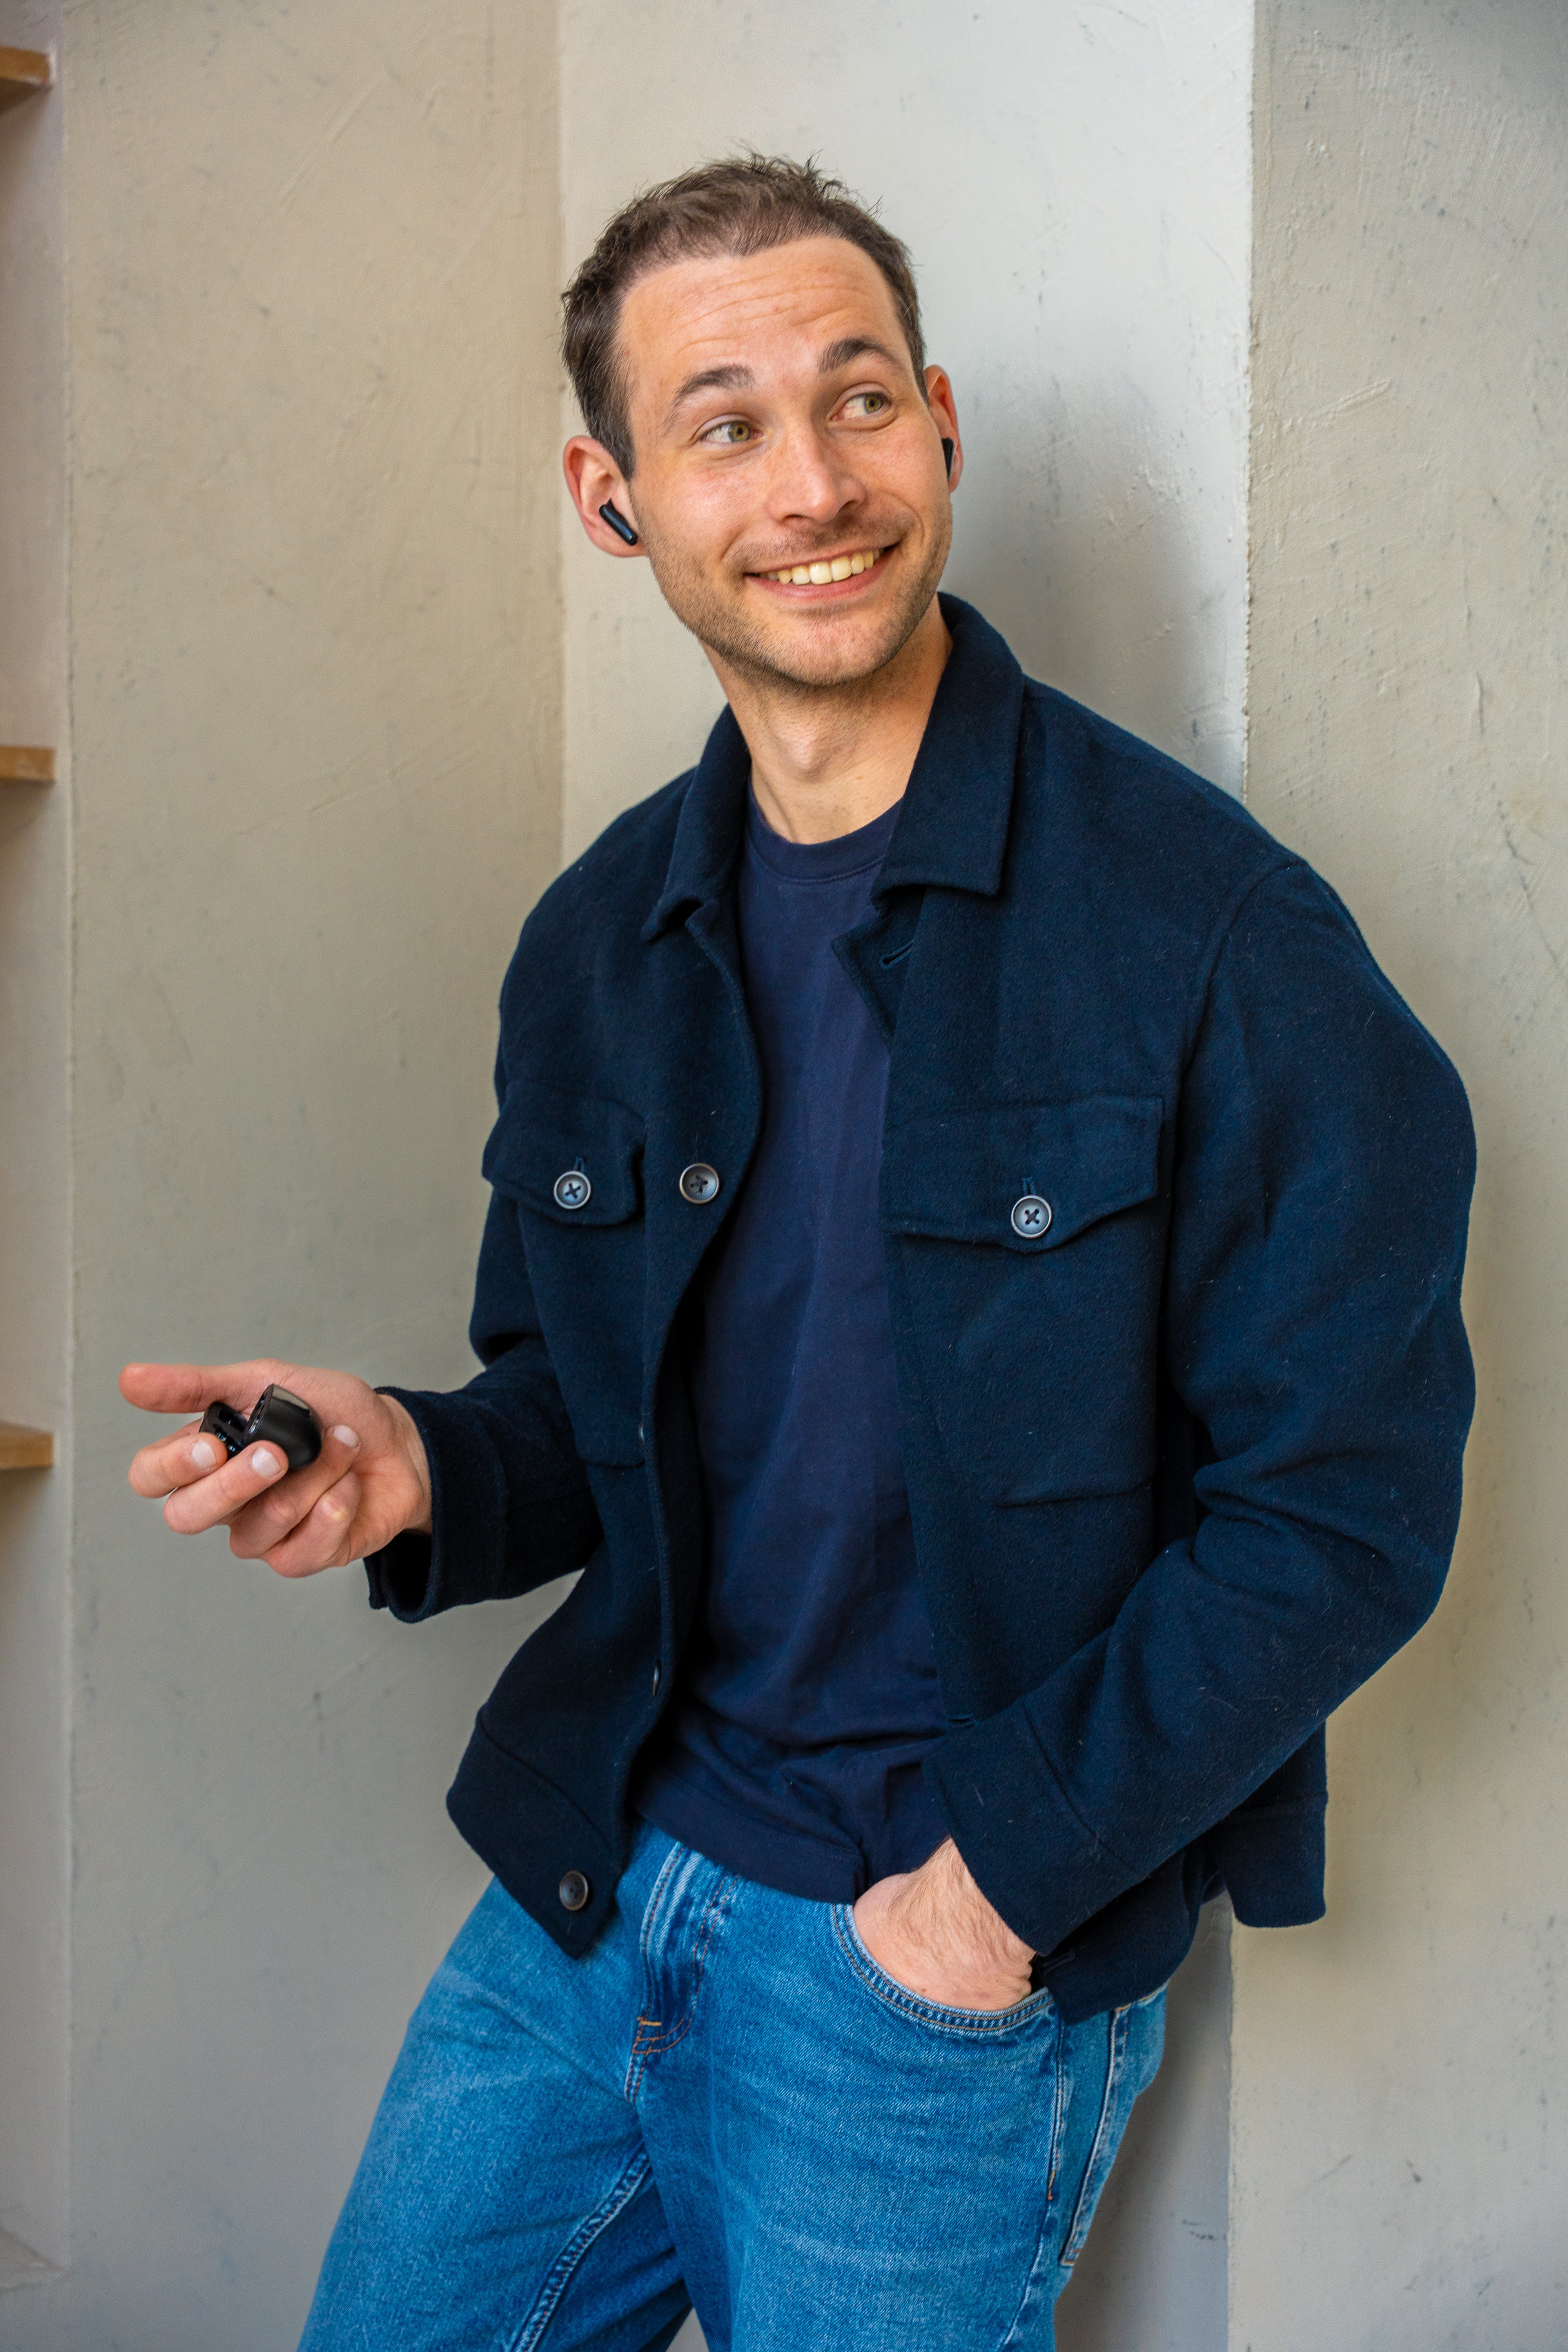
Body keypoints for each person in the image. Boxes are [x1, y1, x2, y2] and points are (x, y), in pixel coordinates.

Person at [123, 156, 1475, 2352]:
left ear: (940, 425)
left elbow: (1344, 1515)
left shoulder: (1220, 936)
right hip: (597, 1884)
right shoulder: (596, 943)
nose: (815, 484)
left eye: (859, 398)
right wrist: (421, 1470)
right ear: (615, 499)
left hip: (924, 1963)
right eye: (725, 424)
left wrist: (982, 1903)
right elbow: (584, 1410)